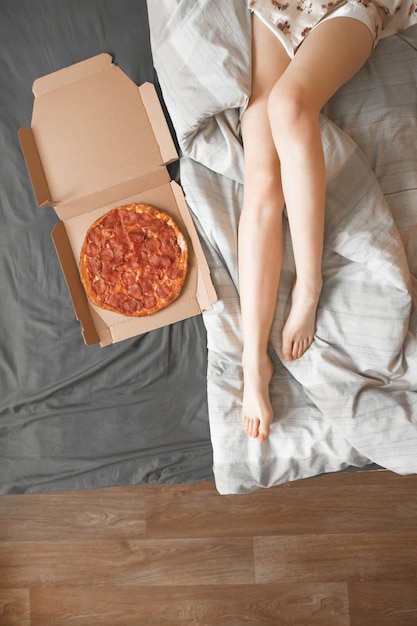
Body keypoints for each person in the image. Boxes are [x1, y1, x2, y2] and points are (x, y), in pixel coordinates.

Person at [240, 0, 417, 442]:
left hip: (353, 7)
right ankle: (252, 360)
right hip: (283, 6)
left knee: (289, 105)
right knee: (261, 166)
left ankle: (309, 282)